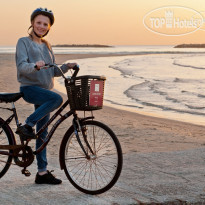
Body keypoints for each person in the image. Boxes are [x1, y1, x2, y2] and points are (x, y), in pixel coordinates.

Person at [15, 8, 77, 185]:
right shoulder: (23, 42)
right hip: (30, 89)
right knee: (57, 99)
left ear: (49, 27)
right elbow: (21, 66)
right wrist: (34, 65)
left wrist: (66, 66)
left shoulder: (47, 45)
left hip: (45, 93)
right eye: (38, 23)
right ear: (32, 23)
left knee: (43, 134)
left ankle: (41, 173)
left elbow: (52, 69)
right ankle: (27, 124)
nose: (41, 26)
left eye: (45, 24)